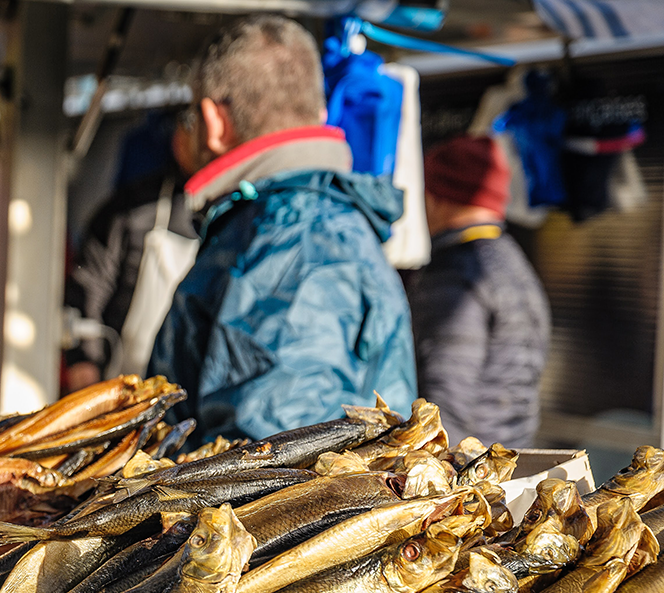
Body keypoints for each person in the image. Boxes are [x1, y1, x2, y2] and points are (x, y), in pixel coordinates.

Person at [149, 14, 417, 445]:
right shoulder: (323, 218)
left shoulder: (290, 237)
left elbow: (271, 466)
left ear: (214, 121)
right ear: (320, 110)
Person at [407, 135, 551, 447]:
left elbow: (442, 402)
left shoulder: (456, 272)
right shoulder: (515, 262)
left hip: (467, 470)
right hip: (509, 455)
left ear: (437, 197)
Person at [64, 119, 199, 391]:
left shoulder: (236, 210)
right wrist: (84, 360)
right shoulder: (131, 210)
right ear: (178, 138)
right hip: (124, 385)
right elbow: (89, 285)